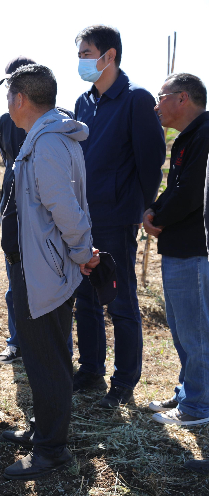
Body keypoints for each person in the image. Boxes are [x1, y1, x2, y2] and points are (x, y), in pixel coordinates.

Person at [0, 64, 99, 480]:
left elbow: (64, 208)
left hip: (45, 269)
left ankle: (51, 451)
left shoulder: (48, 144)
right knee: (46, 356)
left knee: (47, 360)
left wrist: (81, 251)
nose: (6, 104)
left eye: (8, 96)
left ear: (20, 99)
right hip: (39, 265)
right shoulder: (45, 137)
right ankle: (46, 431)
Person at [73, 25, 166, 408]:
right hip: (82, 219)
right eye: (79, 54)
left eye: (85, 53)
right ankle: (91, 368)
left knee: (121, 301)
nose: (81, 61)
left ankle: (124, 382)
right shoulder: (83, 103)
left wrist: (139, 207)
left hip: (116, 218)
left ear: (108, 56)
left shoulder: (135, 100)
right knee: (86, 298)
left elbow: (151, 161)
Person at [0, 56, 76, 366]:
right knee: (16, 286)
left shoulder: (58, 122)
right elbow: (9, 163)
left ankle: (58, 355)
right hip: (14, 213)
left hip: (44, 219)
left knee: (52, 291)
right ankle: (19, 344)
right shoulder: (5, 122)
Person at [144, 73, 209, 426]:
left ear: (182, 98)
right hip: (179, 246)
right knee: (184, 327)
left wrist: (159, 218)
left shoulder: (205, 135)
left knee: (196, 330)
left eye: (161, 97)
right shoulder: (189, 137)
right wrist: (153, 208)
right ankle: (189, 391)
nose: (157, 105)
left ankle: (198, 407)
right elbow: (177, 187)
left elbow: (191, 192)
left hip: (194, 248)